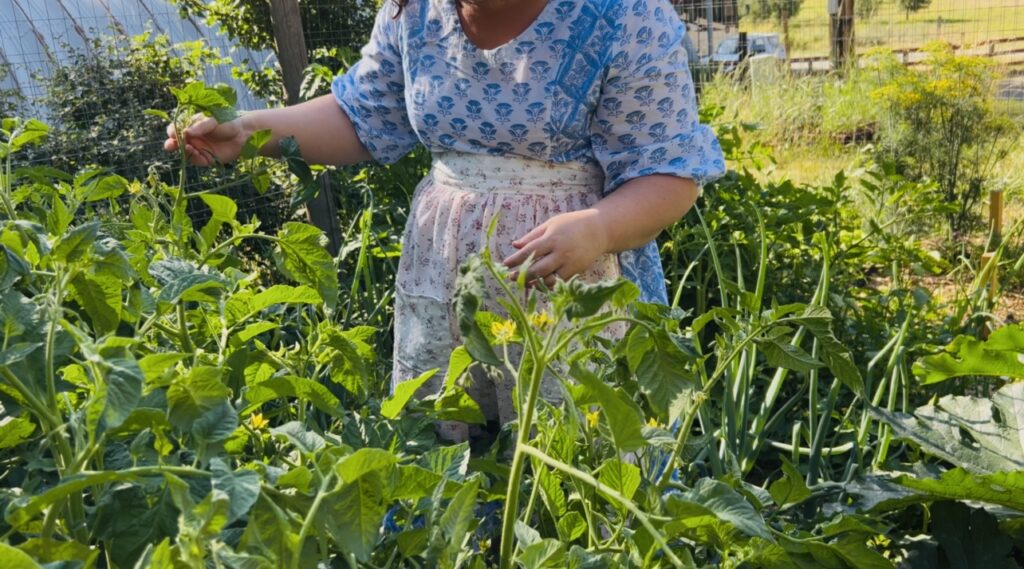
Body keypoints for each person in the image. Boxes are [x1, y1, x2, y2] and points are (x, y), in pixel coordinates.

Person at [165, 0, 725, 442]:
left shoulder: (625, 16)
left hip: (574, 286)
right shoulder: (415, 13)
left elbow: (669, 173)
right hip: (444, 282)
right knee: (447, 455)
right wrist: (250, 131)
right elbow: (361, 116)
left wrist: (599, 228)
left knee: (574, 457)